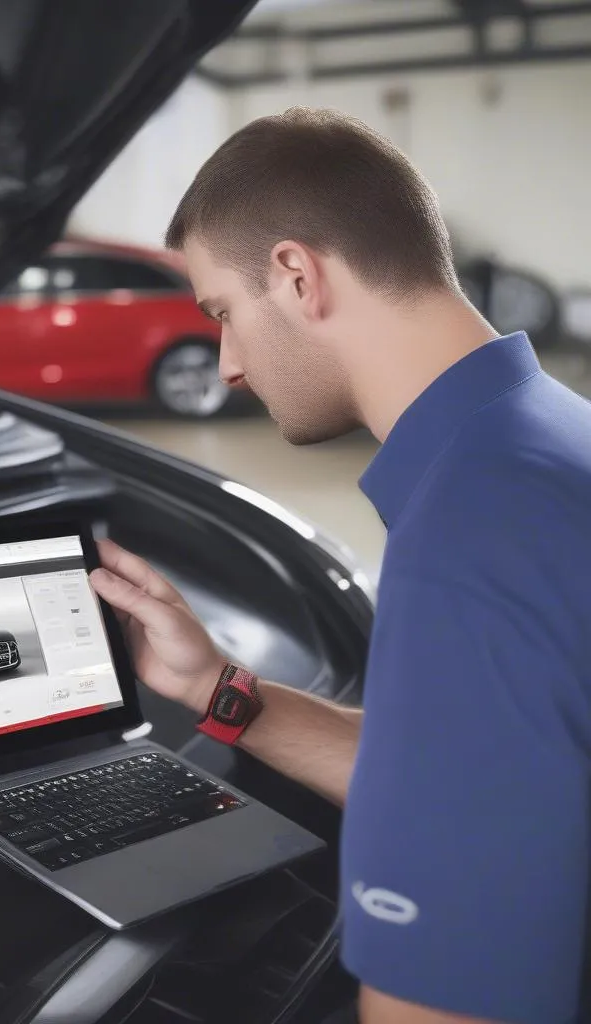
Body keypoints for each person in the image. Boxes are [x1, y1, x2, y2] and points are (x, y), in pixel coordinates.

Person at [90, 107, 591, 1024]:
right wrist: (215, 687)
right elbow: (470, 781)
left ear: (295, 275)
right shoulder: (540, 438)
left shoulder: (471, 535)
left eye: (222, 314)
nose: (228, 363)